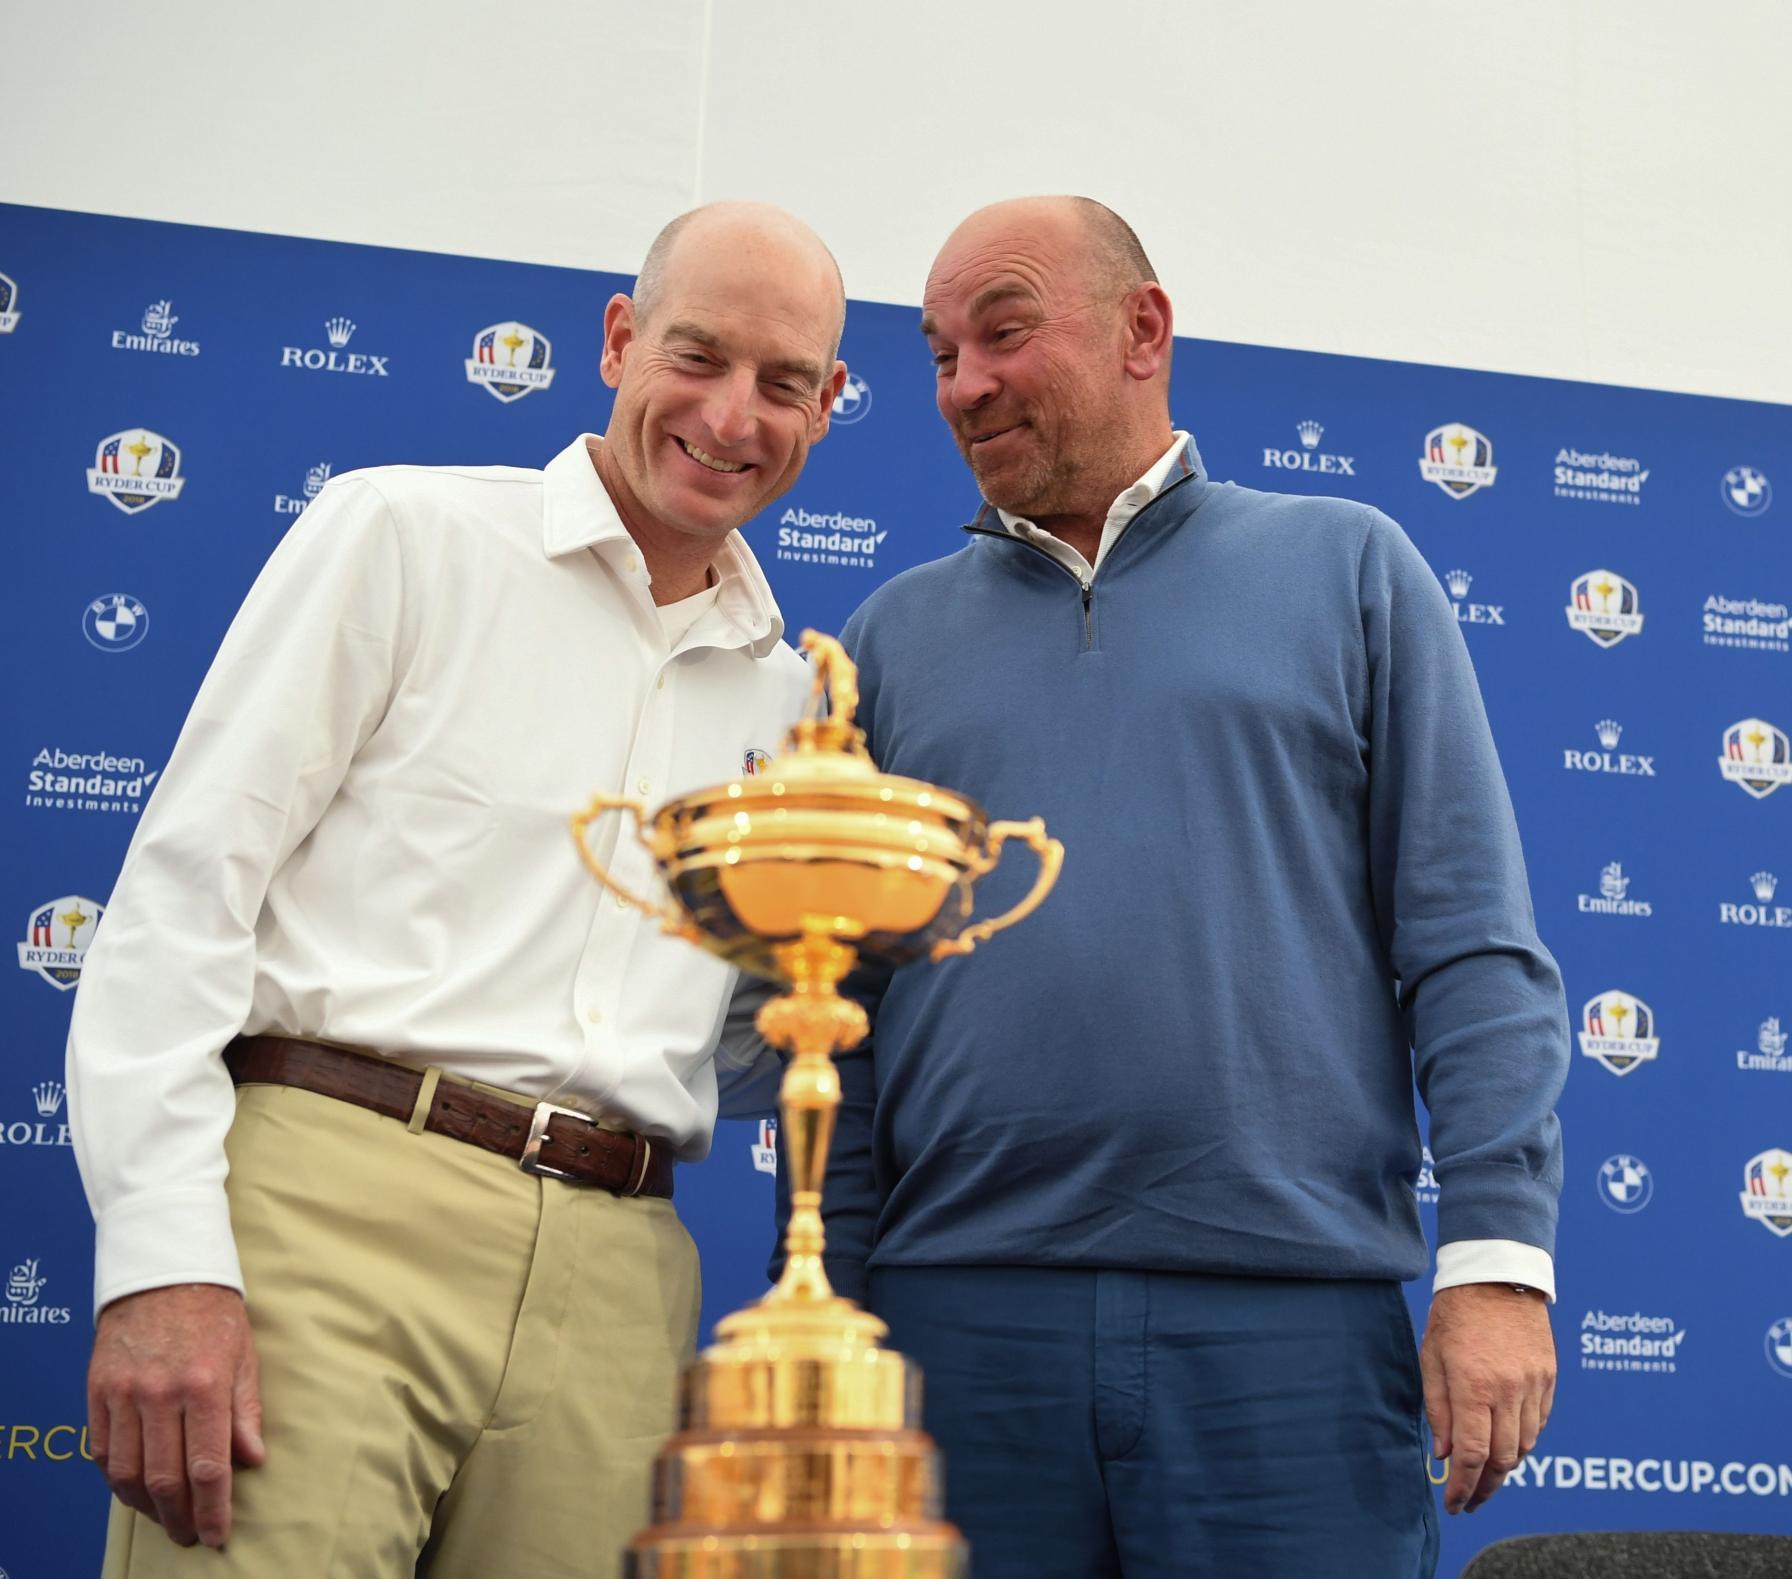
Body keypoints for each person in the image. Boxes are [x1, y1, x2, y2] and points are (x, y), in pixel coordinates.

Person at [785, 197, 1566, 1578]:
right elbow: (831, 1013)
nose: (965, 384)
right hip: (951, 1330)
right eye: (940, 353)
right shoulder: (886, 639)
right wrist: (832, 1308)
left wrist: (1496, 1261)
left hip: (1291, 1334)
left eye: (1004, 333)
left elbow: (1468, 950)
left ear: (1142, 328)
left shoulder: (1349, 569)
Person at [68, 201, 849, 1575]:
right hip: (328, 1219)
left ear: (829, 406)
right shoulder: (404, 534)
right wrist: (163, 1260)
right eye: (699, 355)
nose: (734, 416)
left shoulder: (796, 703)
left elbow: (731, 1043)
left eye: (784, 383)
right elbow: (184, 901)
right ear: (617, 342)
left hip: (623, 1275)